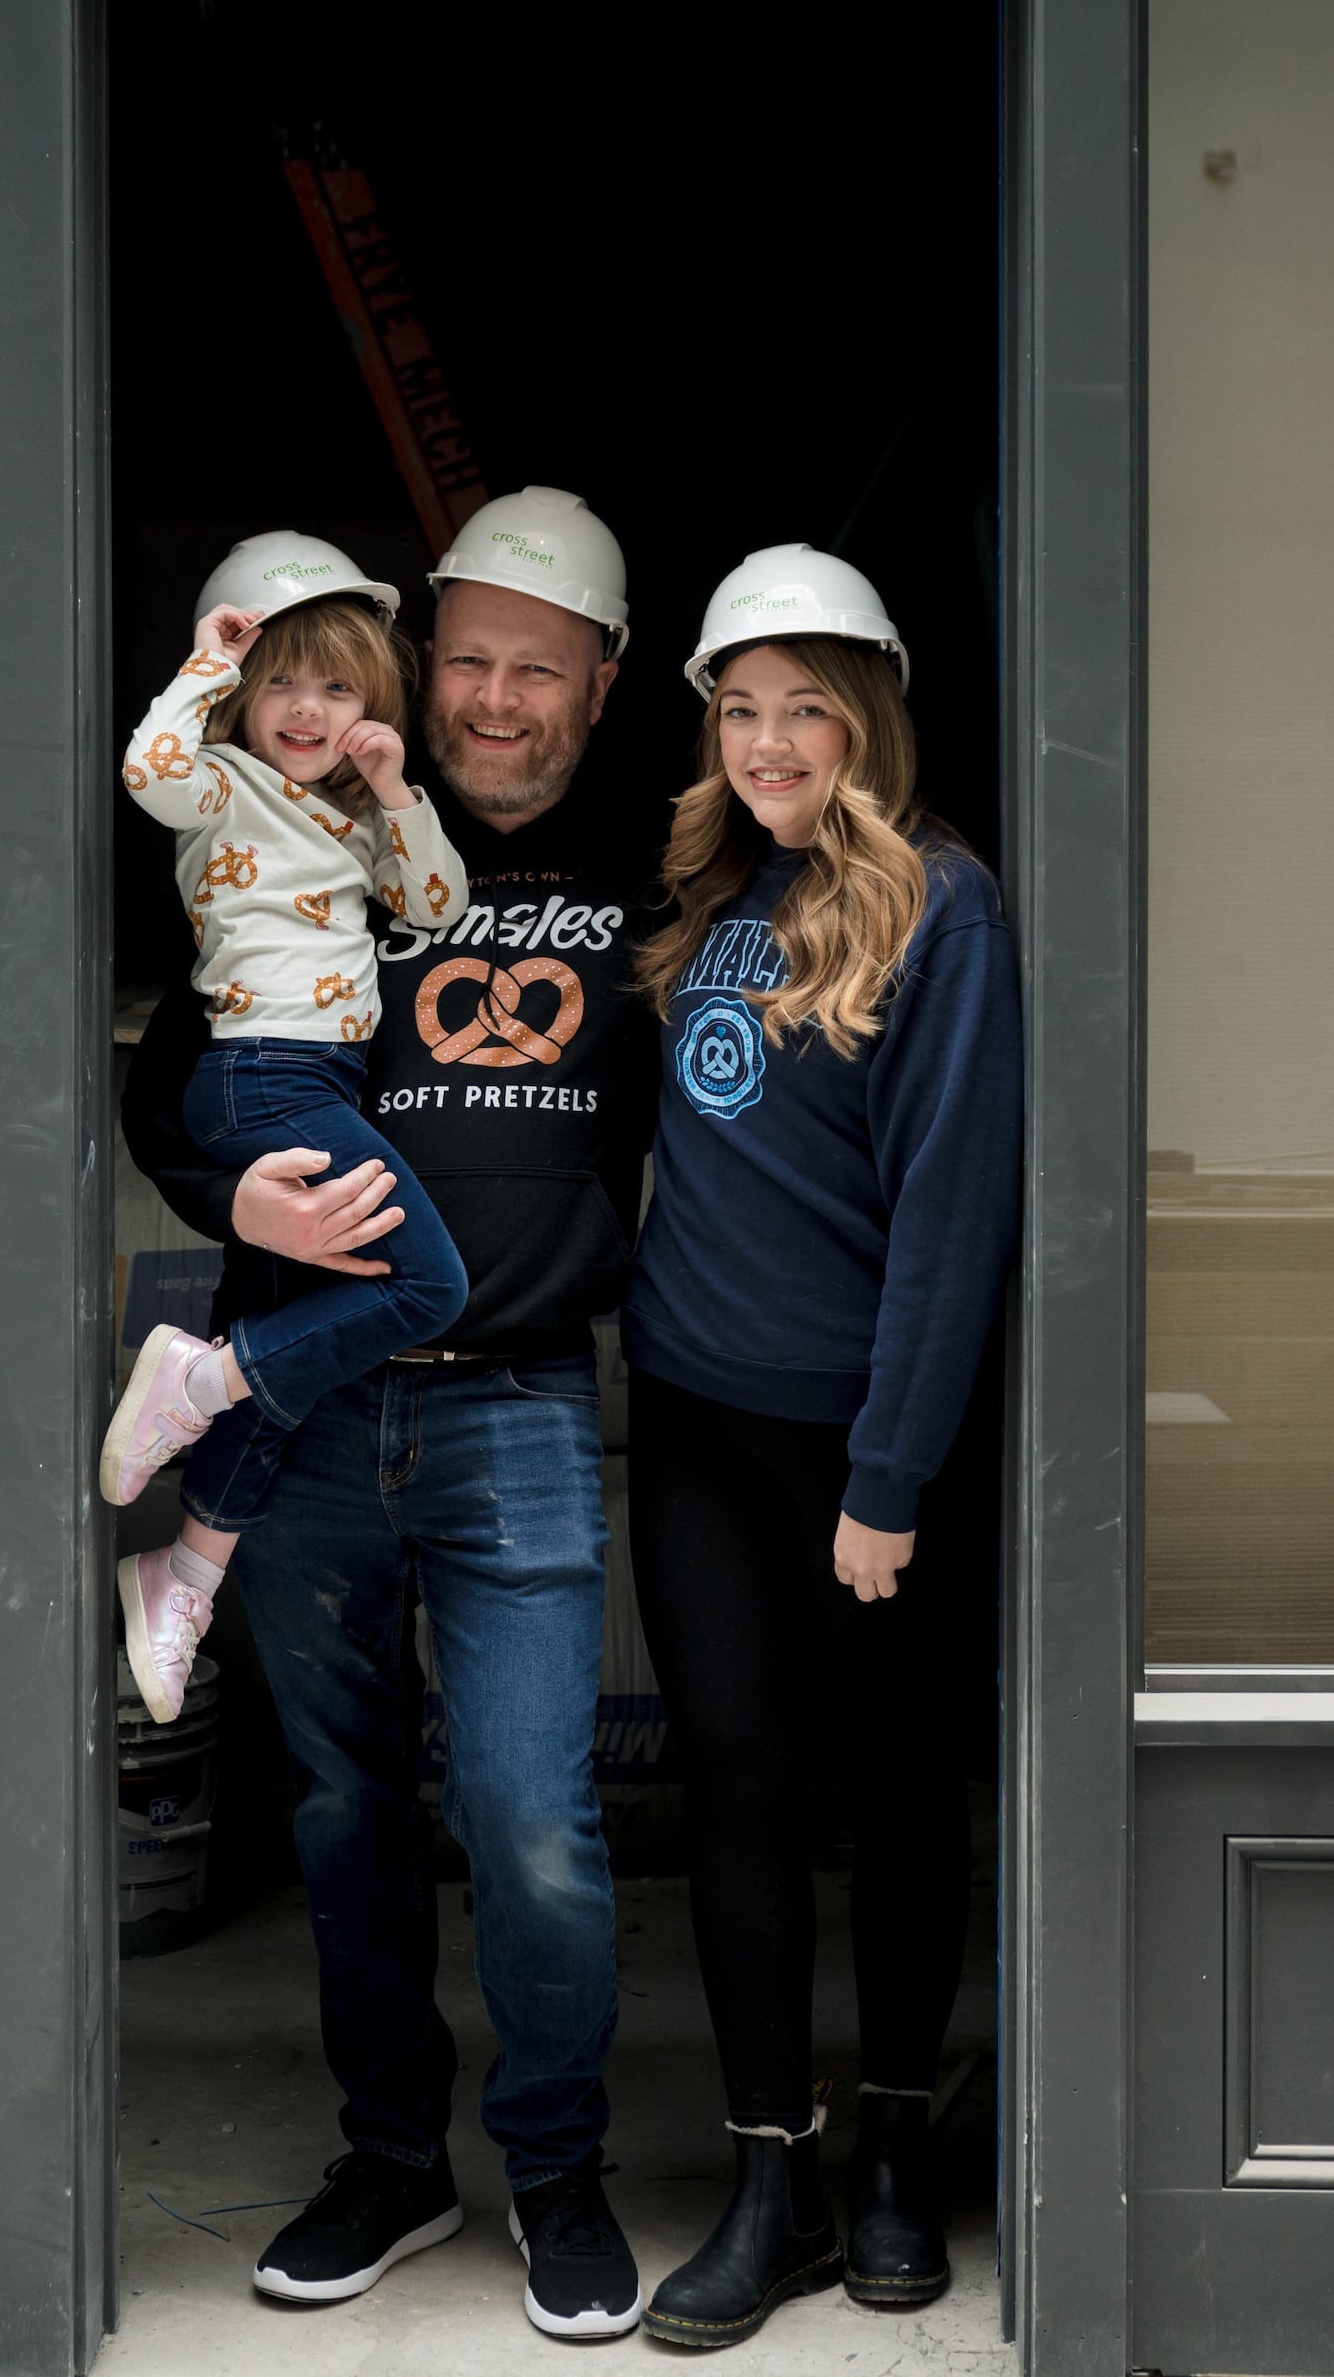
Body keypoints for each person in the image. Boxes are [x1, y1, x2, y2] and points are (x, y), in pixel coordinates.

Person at [121, 490, 660, 2339]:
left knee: (526, 1815)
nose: (498, 700)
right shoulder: (293, 813)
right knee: (345, 1811)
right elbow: (172, 1081)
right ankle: (392, 2164)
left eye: (540, 670)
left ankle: (560, 2171)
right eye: (472, 661)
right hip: (316, 1411)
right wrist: (229, 1204)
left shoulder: (656, 871)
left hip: (513, 1405)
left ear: (597, 686)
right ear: (419, 662)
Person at [623, 545, 1022, 2347]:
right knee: (742, 1795)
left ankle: (887, 2162)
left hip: (860, 1454)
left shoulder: (947, 909)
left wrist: (886, 1479)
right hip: (697, 1431)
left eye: (806, 706)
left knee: (899, 1798)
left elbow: (952, 1219)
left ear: (871, 718)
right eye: (740, 704)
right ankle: (768, 2172)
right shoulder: (719, 890)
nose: (770, 738)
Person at [100, 536, 470, 1725]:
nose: (308, 709)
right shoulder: (224, 783)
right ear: (246, 697)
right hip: (262, 1079)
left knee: (286, 1352)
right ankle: (196, 1378)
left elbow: (433, 904)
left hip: (316, 1086)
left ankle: (182, 1572)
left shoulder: (351, 819)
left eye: (339, 688)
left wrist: (398, 786)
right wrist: (206, 669)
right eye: (282, 683)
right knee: (430, 1287)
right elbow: (149, 769)